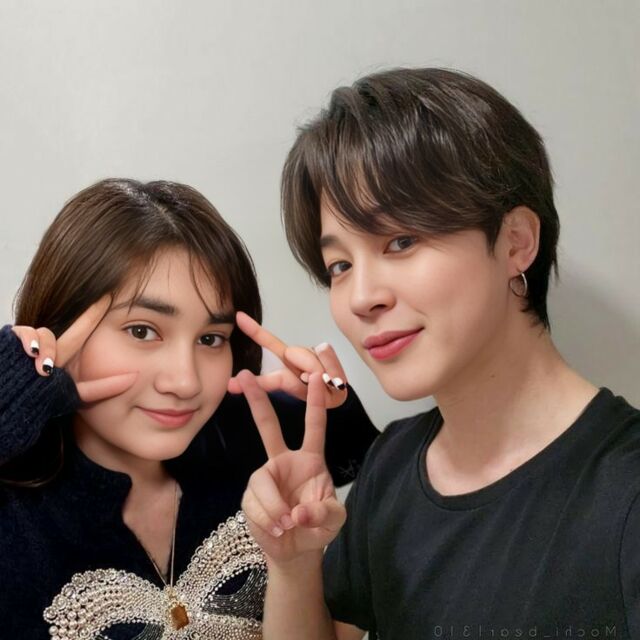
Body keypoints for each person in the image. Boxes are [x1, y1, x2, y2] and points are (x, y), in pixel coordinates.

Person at [234, 68, 640, 639]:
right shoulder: (392, 465)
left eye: (400, 241)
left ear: (516, 242)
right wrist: (294, 564)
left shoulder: (624, 491)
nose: (362, 297)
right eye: (340, 265)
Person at [0, 178, 378, 639]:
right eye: (142, 331)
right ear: (60, 327)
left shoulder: (254, 449)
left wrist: (327, 400)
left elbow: (365, 458)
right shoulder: (16, 512)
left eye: (211, 339)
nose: (185, 382)